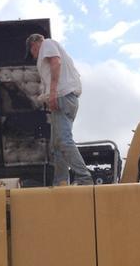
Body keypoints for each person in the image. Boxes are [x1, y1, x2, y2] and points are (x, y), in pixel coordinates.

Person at [25, 34, 93, 186]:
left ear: (34, 44)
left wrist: (53, 92)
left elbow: (55, 63)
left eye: (32, 52)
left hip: (62, 96)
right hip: (67, 98)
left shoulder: (47, 44)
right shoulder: (54, 48)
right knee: (56, 145)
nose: (34, 56)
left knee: (63, 140)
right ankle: (61, 181)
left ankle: (84, 177)